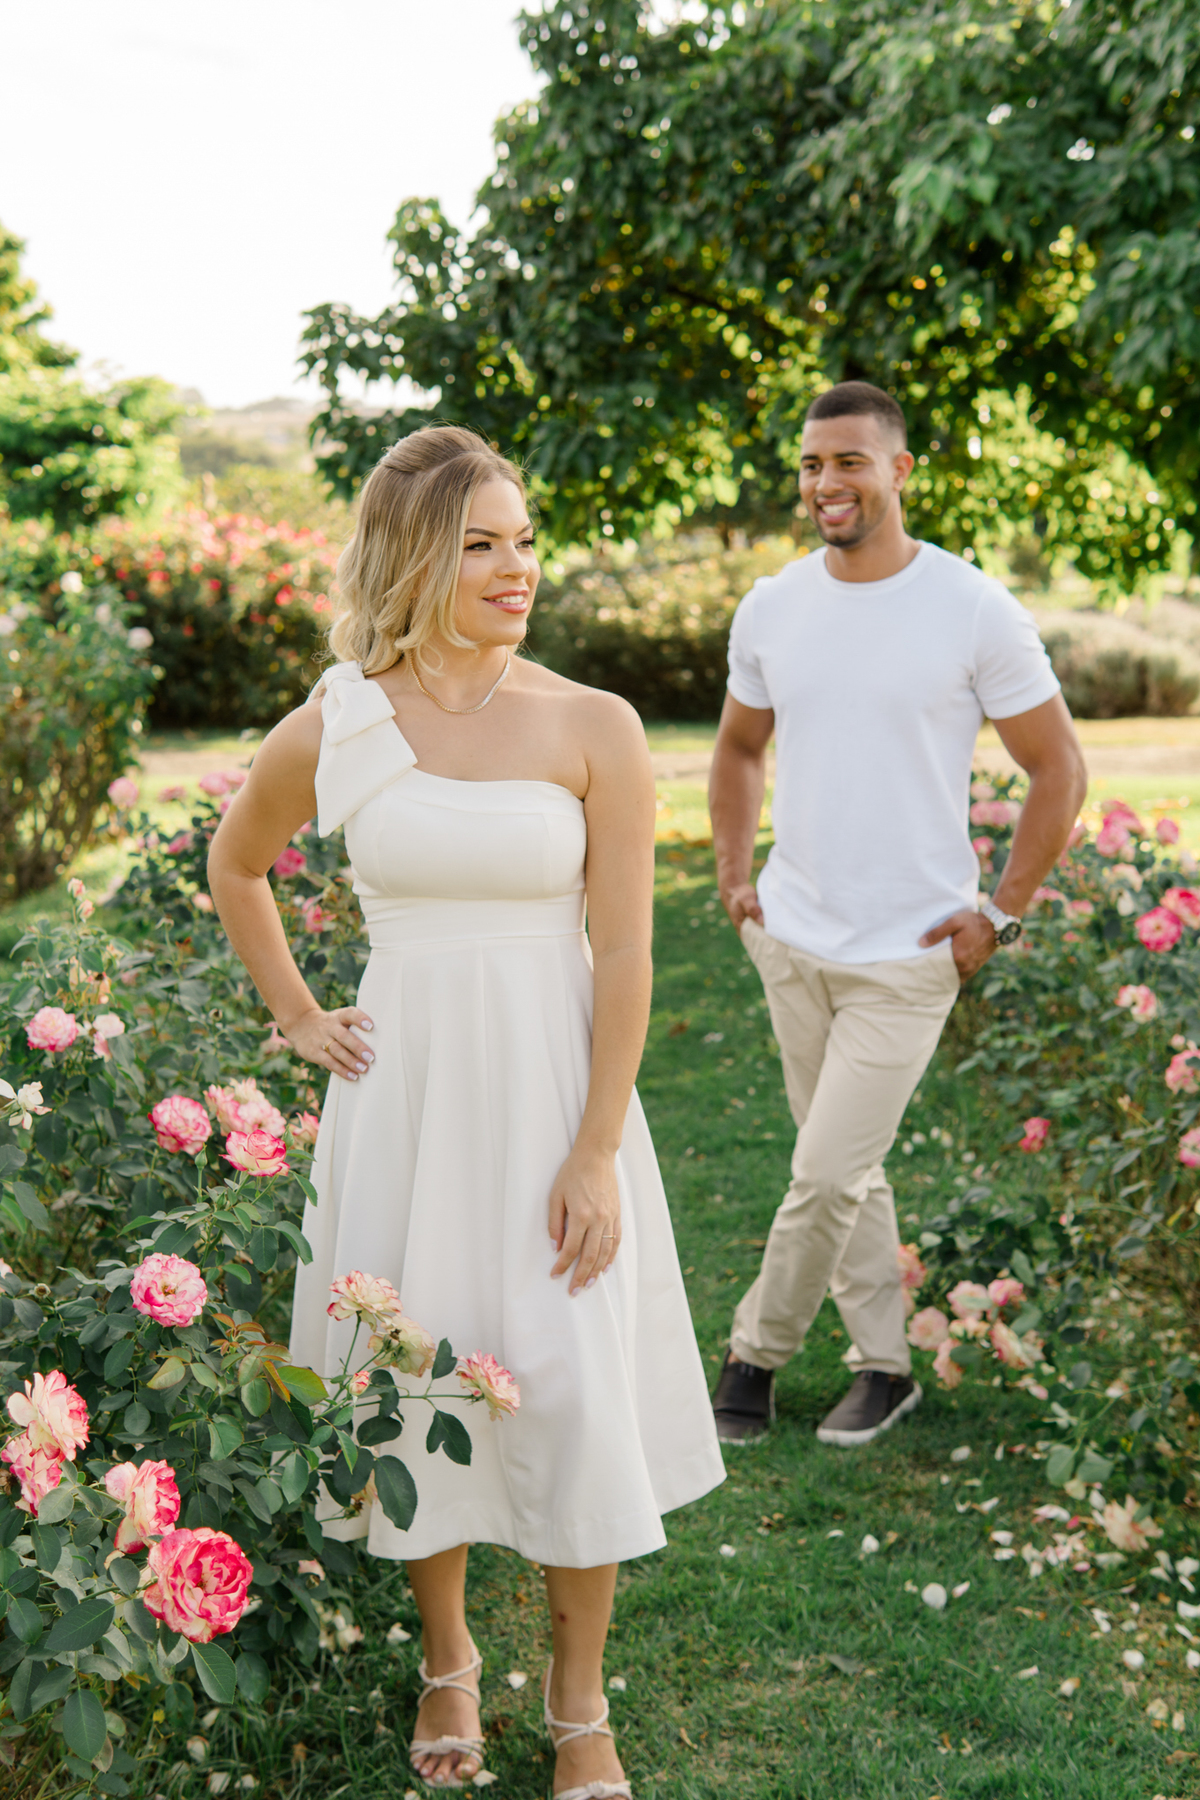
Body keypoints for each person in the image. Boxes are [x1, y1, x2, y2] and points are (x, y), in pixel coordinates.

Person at [207, 426, 725, 1796]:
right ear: (416, 554)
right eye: (481, 543)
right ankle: (447, 1659)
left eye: (525, 542)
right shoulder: (341, 722)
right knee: (412, 1371)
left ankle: (579, 1693)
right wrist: (301, 1018)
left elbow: (627, 954)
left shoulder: (591, 725)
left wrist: (599, 1148)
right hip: (406, 1105)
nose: (516, 569)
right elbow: (238, 862)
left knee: (561, 1380)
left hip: (558, 1092)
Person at [708, 381, 1087, 1449]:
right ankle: (884, 1366)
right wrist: (739, 879)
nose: (827, 483)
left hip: (911, 952)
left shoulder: (970, 607)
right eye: (812, 465)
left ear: (900, 471)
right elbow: (738, 749)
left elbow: (1059, 768)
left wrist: (999, 917)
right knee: (846, 1169)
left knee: (824, 1171)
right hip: (791, 937)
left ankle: (751, 1359)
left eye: (850, 462)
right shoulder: (774, 605)